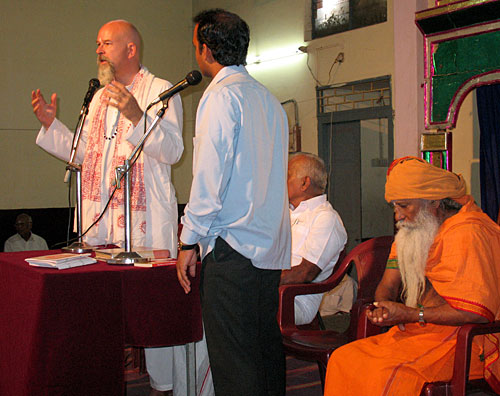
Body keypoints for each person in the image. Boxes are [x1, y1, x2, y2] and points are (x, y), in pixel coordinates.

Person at [31, 20, 183, 396]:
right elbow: (85, 155)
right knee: (104, 316)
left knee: (154, 316)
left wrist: (136, 113)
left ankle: (166, 388)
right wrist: (53, 126)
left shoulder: (160, 90)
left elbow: (173, 151)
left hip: (144, 226)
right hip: (101, 226)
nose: (98, 49)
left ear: (131, 49)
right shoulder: (98, 97)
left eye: (107, 42)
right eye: (97, 43)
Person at [176, 9, 291, 396]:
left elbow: (209, 181)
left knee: (235, 363)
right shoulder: (269, 100)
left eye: (196, 46)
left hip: (232, 249)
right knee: (264, 352)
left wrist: (188, 241)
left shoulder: (221, 97)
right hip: (267, 250)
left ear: (206, 50)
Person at [324, 156, 500, 395]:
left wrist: (409, 314)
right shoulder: (411, 232)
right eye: (395, 207)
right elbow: (388, 283)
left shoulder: (467, 232)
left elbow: (476, 313)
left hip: (463, 341)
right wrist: (384, 305)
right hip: (420, 331)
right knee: (343, 358)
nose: (398, 216)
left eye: (404, 206)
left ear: (434, 202)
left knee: (384, 374)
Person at [281, 152, 348, 325]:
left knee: (233, 301)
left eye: (287, 175)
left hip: (295, 300)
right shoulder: (285, 213)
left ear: (305, 183)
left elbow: (305, 273)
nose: (281, 180)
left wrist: (259, 279)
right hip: (271, 289)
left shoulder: (326, 218)